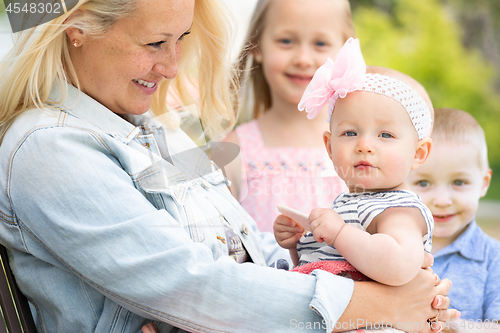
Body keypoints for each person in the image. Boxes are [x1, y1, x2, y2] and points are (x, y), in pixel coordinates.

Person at [0, 0, 456, 332]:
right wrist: (375, 304)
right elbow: (187, 284)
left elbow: (241, 242)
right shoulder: (51, 149)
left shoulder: (156, 128)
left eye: (181, 40)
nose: (173, 67)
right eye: (156, 42)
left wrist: (370, 277)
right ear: (77, 27)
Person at [275, 38, 437, 290]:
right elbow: (333, 267)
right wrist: (301, 243)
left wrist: (338, 234)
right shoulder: (345, 205)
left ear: (418, 153)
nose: (364, 145)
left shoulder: (399, 209)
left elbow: (400, 266)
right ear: (329, 147)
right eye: (350, 133)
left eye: (385, 135)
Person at [223, 0, 350, 233]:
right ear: (257, 47)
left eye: (320, 43)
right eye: (286, 41)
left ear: (344, 50)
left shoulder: (361, 144)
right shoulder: (234, 151)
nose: (303, 59)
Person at [408, 108, 500, 331]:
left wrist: (453, 327)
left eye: (459, 182)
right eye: (423, 183)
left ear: (484, 183)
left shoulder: (493, 259)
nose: (441, 201)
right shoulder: (385, 245)